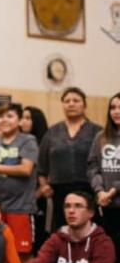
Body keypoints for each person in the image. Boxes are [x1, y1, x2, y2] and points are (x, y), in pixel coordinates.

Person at [0, 104, 38, 262]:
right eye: (1, 116)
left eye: (10, 116)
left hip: (20, 206)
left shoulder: (28, 140)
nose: (5, 120)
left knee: (22, 253)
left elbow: (26, 169)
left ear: (19, 120)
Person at [38, 87, 102, 230]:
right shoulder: (52, 132)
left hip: (89, 190)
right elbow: (41, 166)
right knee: (62, 231)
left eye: (76, 100)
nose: (71, 104)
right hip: (59, 191)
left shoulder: (97, 131)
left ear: (84, 105)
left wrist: (101, 190)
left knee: (89, 231)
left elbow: (103, 163)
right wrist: (44, 186)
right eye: (67, 101)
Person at [88, 92, 120, 254]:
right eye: (113, 107)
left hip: (114, 197)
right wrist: (100, 191)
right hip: (106, 204)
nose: (116, 111)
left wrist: (113, 191)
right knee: (107, 250)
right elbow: (93, 166)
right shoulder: (101, 137)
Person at [22, 105, 51, 252]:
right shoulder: (19, 143)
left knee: (38, 242)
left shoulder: (45, 144)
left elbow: (48, 175)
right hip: (20, 201)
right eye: (22, 118)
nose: (23, 122)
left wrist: (34, 197)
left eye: (28, 118)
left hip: (38, 200)